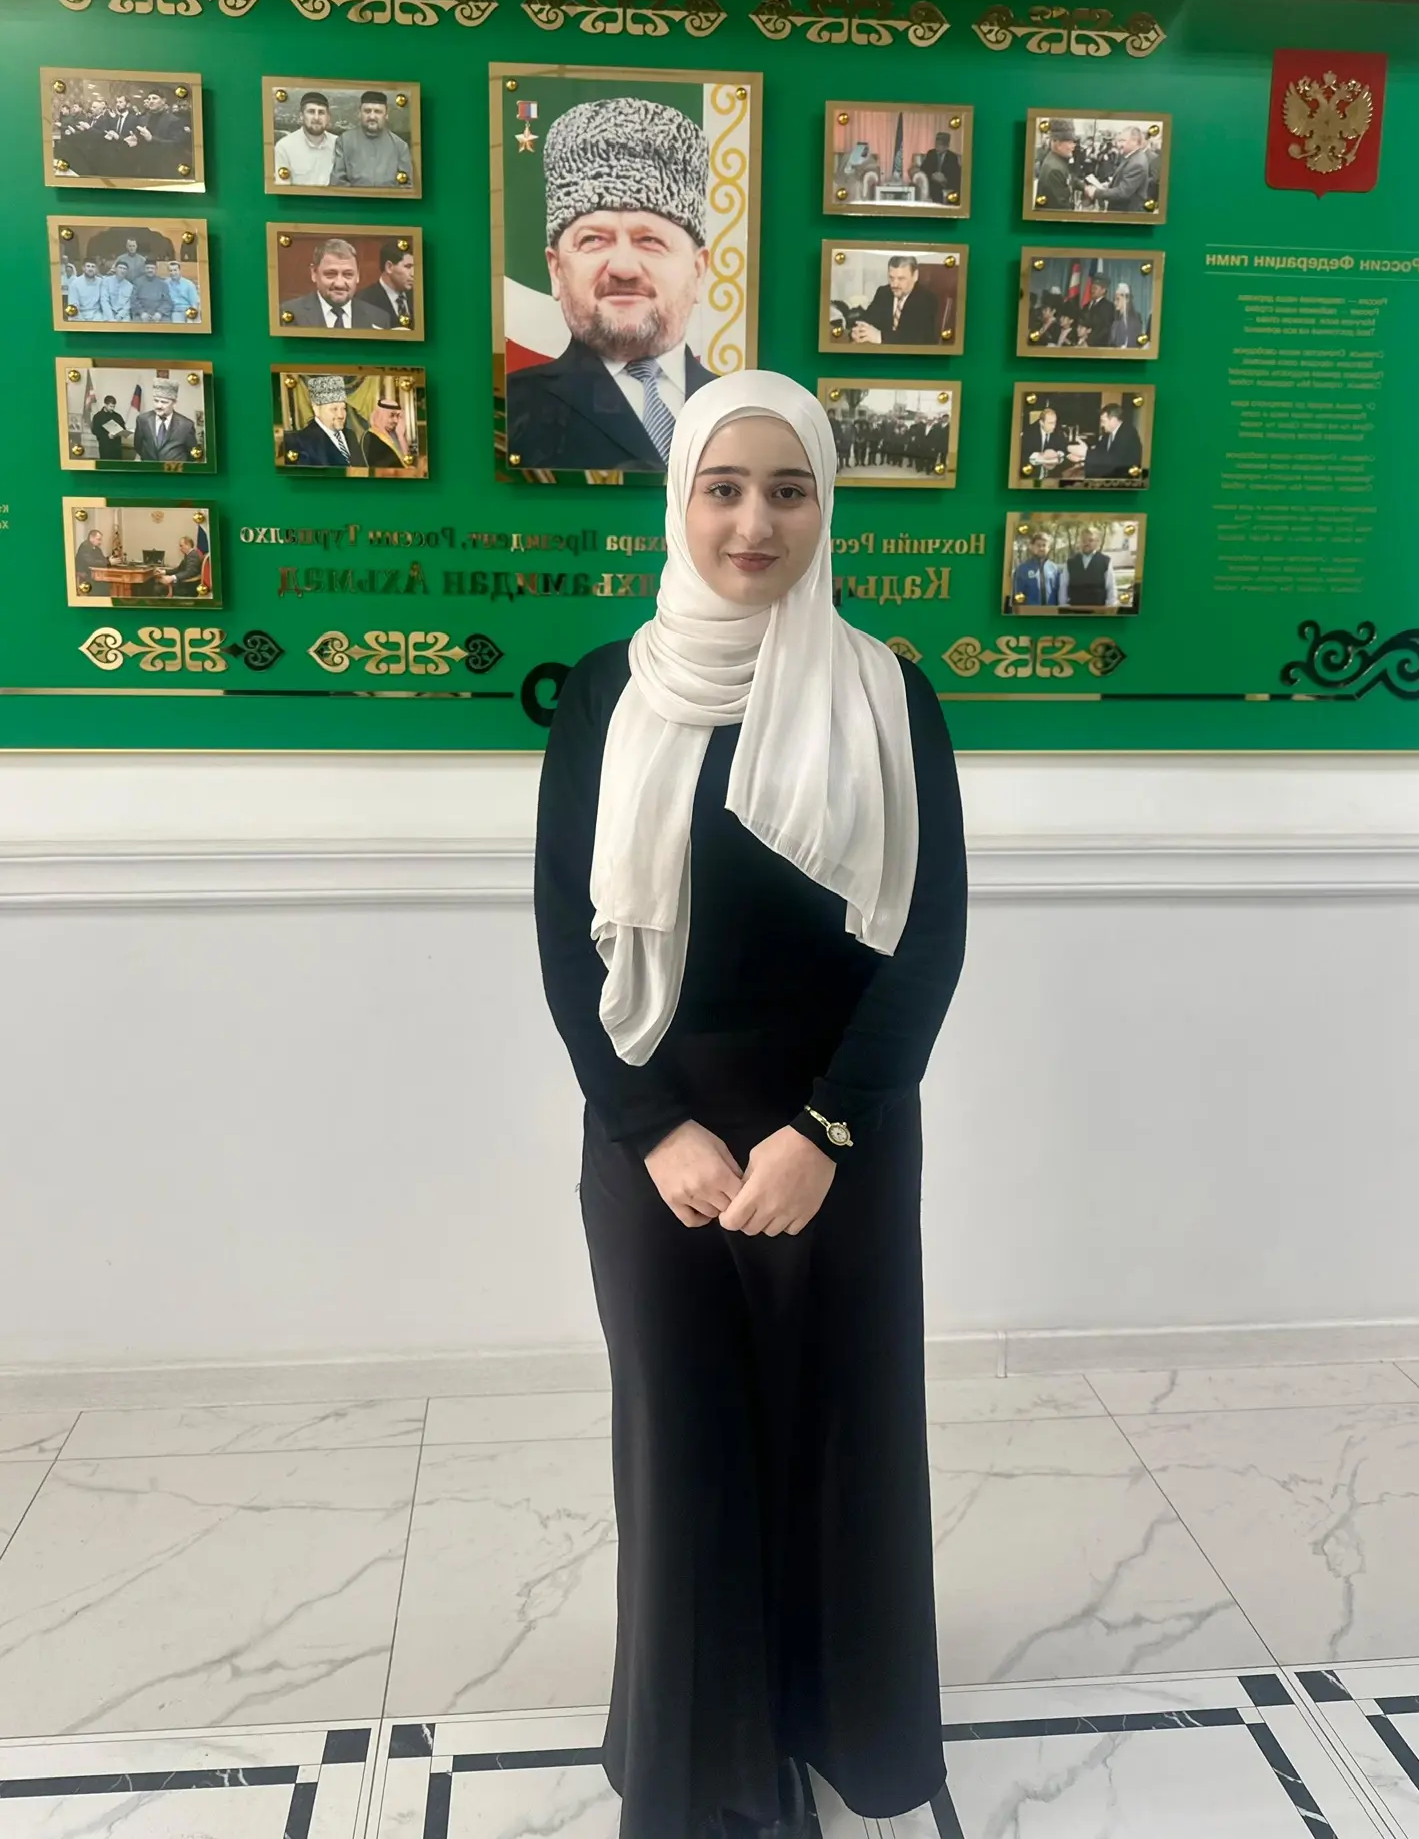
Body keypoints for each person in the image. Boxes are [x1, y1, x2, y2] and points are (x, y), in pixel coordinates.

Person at [534, 370, 967, 1839]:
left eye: (789, 491)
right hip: (658, 1133)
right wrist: (652, 1129)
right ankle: (704, 1766)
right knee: (686, 1442)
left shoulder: (889, 691)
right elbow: (566, 938)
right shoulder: (607, 691)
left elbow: (929, 939)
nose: (754, 522)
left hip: (842, 1131)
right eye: (724, 488)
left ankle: (840, 1724)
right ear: (682, 502)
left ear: (825, 507)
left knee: (841, 1434)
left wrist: (827, 1131)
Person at [507, 96, 718, 472]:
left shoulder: (739, 409)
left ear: (698, 270)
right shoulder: (511, 415)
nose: (623, 268)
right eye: (593, 240)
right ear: (556, 271)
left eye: (650, 240)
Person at [284, 238, 395, 331]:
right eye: (330, 274)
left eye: (348, 274)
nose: (339, 284)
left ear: (358, 275)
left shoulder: (379, 318)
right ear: (314, 273)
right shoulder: (290, 313)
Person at [330, 90, 413, 190]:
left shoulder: (400, 146)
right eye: (367, 111)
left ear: (386, 115)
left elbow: (407, 186)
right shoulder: (344, 141)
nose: (372, 116)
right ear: (359, 113)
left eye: (377, 112)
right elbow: (337, 182)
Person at [849, 257, 939, 347]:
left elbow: (917, 338)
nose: (894, 284)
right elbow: (868, 319)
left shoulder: (927, 300)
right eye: (891, 278)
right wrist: (858, 332)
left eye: (901, 279)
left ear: (915, 276)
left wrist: (880, 337)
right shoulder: (883, 292)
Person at [283, 374, 363, 466]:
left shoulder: (350, 435)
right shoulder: (303, 441)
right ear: (316, 409)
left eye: (343, 408)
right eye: (334, 409)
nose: (341, 415)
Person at [274, 91, 338, 187]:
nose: (316, 117)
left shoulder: (339, 145)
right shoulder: (284, 147)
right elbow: (283, 188)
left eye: (321, 112)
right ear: (301, 116)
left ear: (328, 118)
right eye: (311, 112)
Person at [1083, 125, 1151, 214]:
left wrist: (1096, 193)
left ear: (1134, 141)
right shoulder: (1131, 157)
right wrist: (1110, 185)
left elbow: (1123, 192)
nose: (1119, 145)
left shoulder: (1137, 163)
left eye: (1123, 141)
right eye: (1119, 141)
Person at [132, 380, 199, 463]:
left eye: (164, 402)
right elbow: (138, 446)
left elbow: (192, 454)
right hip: (149, 469)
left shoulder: (186, 425)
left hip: (174, 470)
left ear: (174, 403)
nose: (159, 406)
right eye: (156, 401)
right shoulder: (143, 420)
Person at [354, 241, 415, 328]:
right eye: (408, 267)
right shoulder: (363, 300)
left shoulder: (417, 297)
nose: (413, 273)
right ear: (389, 267)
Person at [1058, 523, 1118, 607]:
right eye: (1084, 540)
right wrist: (1063, 605)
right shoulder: (1070, 562)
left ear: (1097, 542)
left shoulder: (1105, 561)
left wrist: (1111, 606)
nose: (1086, 543)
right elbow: (1063, 586)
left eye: (1090, 540)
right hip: (1075, 609)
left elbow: (1111, 586)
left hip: (1098, 609)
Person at [1083, 403, 1144, 480]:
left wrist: (1085, 453)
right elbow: (1099, 452)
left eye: (1103, 421)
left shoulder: (1128, 433)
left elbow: (1114, 460)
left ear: (1113, 420)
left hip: (1124, 480)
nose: (1102, 425)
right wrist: (1082, 457)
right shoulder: (1108, 434)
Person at [1009, 528, 1061, 608]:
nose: (1041, 548)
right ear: (1031, 547)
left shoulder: (1054, 569)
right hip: (1030, 613)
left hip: (1051, 613)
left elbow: (1059, 594)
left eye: (1044, 545)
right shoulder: (1022, 569)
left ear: (1048, 548)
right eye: (1038, 545)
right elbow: (1018, 596)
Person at [1034, 119, 1077, 211]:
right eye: (1070, 142)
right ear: (1058, 144)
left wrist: (1085, 188)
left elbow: (1070, 179)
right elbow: (1060, 211)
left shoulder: (1059, 161)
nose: (1073, 146)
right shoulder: (1054, 169)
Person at [361, 389, 410, 467]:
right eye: (392, 415)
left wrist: (401, 437)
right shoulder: (371, 437)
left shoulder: (393, 435)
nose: (396, 421)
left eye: (398, 416)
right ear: (380, 416)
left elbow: (407, 461)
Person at [1019, 406, 1069, 477]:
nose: (1054, 426)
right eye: (1050, 423)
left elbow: (1064, 449)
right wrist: (1040, 455)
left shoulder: (1058, 432)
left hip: (1052, 474)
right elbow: (1023, 453)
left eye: (1055, 422)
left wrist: (1058, 453)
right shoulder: (1029, 433)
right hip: (1032, 473)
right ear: (1041, 423)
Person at [917, 130, 961, 205]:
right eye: (936, 144)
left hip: (947, 182)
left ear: (946, 146)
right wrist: (932, 175)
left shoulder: (952, 157)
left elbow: (956, 173)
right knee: (934, 188)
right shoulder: (931, 153)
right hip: (934, 182)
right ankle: (939, 206)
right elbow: (923, 168)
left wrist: (945, 179)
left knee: (957, 188)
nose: (937, 147)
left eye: (940, 145)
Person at [129, 259, 173, 326]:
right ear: (144, 269)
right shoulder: (137, 282)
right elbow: (133, 299)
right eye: (148, 268)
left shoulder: (163, 283)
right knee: (135, 326)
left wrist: (159, 313)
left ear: (156, 269)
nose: (150, 270)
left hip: (159, 314)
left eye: (152, 268)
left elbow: (168, 301)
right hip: (141, 314)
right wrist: (142, 312)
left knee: (168, 326)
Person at [65, 259, 109, 323]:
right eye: (88, 266)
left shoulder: (101, 282)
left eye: (93, 267)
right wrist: (81, 320)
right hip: (79, 314)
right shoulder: (75, 283)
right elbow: (73, 304)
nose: (90, 269)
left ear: (96, 269)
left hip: (96, 315)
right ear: (83, 268)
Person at [1080, 274, 1116, 348]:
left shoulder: (1108, 307)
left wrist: (1089, 342)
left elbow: (1104, 328)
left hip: (1098, 347)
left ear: (1103, 290)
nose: (1092, 290)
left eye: (1095, 288)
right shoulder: (1086, 306)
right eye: (1092, 288)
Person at [166, 534, 205, 598]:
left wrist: (173, 577)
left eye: (181, 546)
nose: (180, 548)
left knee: (158, 588)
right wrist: (164, 572)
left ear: (188, 545)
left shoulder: (193, 555)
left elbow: (190, 572)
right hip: (185, 584)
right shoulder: (188, 555)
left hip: (189, 588)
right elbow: (178, 569)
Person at [1109, 282, 1145, 350]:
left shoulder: (1134, 318)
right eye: (1114, 299)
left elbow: (1132, 341)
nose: (1115, 302)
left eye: (1118, 299)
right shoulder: (1117, 318)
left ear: (1127, 299)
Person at [91, 394, 127, 460]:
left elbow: (123, 429)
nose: (112, 408)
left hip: (117, 447)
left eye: (114, 407)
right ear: (105, 404)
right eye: (111, 406)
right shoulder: (98, 416)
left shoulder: (117, 416)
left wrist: (116, 434)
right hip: (105, 447)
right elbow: (94, 430)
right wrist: (106, 435)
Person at [74, 525, 108, 589]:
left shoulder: (97, 548)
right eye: (98, 539)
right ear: (91, 538)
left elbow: (101, 559)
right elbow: (91, 562)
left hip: (93, 573)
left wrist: (109, 559)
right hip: (85, 574)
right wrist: (108, 562)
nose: (100, 542)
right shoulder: (85, 546)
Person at [104, 257, 135, 323]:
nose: (122, 270)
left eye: (124, 269)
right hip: (108, 313)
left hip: (123, 314)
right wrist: (110, 317)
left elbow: (128, 304)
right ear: (115, 269)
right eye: (120, 268)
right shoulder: (106, 281)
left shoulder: (130, 286)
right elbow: (104, 300)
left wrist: (120, 315)